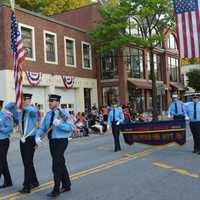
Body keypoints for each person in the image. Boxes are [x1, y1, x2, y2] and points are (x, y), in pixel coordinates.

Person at [35, 94, 75, 197]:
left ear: (57, 102)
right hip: (52, 141)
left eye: (52, 101)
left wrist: (60, 124)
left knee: (56, 164)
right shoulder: (48, 114)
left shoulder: (64, 113)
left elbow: (71, 127)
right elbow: (43, 128)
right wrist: (38, 136)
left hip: (61, 140)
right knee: (60, 162)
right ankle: (67, 184)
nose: (49, 103)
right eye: (49, 101)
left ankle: (56, 189)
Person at [19, 93, 40, 193]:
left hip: (30, 139)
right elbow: (8, 106)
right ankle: (34, 181)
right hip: (23, 139)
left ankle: (27, 186)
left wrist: (22, 106)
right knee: (27, 162)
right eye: (22, 100)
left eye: (24, 100)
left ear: (29, 100)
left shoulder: (32, 109)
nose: (23, 101)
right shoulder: (22, 111)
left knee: (27, 162)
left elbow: (32, 110)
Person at [0, 100, 13, 188]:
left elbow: (10, 128)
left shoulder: (5, 115)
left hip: (3, 141)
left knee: (2, 160)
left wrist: (1, 129)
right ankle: (8, 181)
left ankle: (8, 181)